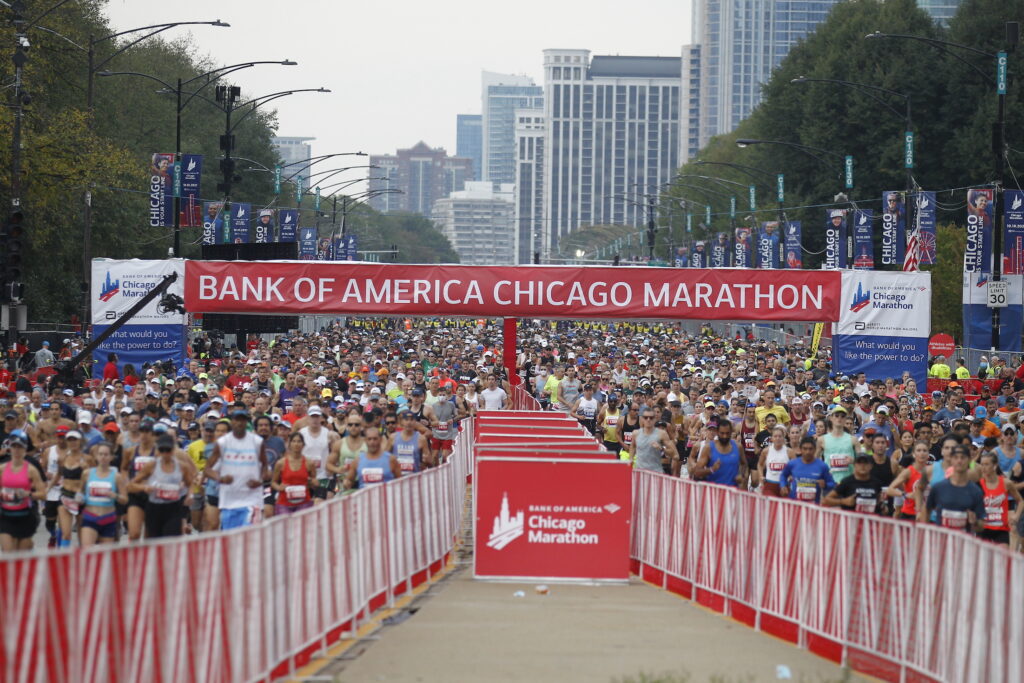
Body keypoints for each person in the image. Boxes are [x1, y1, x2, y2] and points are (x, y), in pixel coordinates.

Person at [204, 410, 269, 530]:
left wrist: (260, 481)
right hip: (229, 500)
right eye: (237, 420)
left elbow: (265, 466)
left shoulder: (257, 442)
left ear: (246, 422)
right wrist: (220, 478)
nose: (239, 423)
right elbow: (207, 469)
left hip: (251, 500)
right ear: (232, 422)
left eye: (242, 420)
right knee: (230, 541)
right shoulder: (223, 443)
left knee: (249, 537)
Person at [130, 435, 196, 539]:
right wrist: (144, 488)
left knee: (171, 540)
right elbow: (132, 484)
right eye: (162, 450)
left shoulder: (182, 467)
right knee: (154, 541)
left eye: (168, 450)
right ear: (158, 450)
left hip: (173, 507)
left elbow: (190, 483)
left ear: (173, 450)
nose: (165, 454)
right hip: (154, 507)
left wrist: (190, 495)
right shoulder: (151, 465)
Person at [921, 445, 986, 532]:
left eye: (963, 458)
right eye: (956, 458)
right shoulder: (938, 488)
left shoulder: (975, 491)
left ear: (969, 461)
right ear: (951, 460)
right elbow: (926, 510)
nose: (959, 461)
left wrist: (975, 522)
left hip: (963, 542)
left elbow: (981, 526)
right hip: (941, 540)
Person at [0, 433, 46, 552]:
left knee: (21, 556)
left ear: (25, 449)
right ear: (10, 448)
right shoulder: (2, 468)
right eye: (14, 447)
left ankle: (30, 549)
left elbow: (43, 493)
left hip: (25, 516)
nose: (16, 450)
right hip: (5, 516)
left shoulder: (31, 470)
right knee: (8, 552)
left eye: (19, 447)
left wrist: (28, 494)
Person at [79, 442, 128, 547]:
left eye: (106, 455)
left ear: (111, 457)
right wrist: (79, 498)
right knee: (87, 552)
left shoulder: (116, 476)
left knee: (105, 556)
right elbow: (80, 491)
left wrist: (115, 496)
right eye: (100, 454)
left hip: (108, 518)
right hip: (90, 516)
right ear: (96, 456)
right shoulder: (87, 473)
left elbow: (125, 499)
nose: (103, 457)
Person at [976, 452, 1022, 545]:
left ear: (995, 466)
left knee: (1002, 556)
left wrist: (1016, 515)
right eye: (982, 464)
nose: (983, 468)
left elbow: (1020, 501)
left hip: (1001, 529)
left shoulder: (1006, 483)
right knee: (984, 558)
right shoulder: (978, 484)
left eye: (987, 464)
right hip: (983, 528)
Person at [299, 406, 340, 502]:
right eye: (312, 416)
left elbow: (336, 454)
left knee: (319, 503)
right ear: (308, 417)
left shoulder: (329, 434)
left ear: (321, 418)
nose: (314, 419)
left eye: (317, 416)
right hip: (306, 476)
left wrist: (334, 470)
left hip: (323, 476)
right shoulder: (301, 434)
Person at [55, 430, 88, 548]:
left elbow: (95, 477)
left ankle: (83, 561)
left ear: (80, 441)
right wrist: (47, 488)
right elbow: (58, 475)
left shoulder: (87, 459)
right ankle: (63, 562)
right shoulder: (62, 458)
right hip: (65, 496)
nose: (73, 442)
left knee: (82, 534)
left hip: (81, 498)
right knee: (66, 533)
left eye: (75, 440)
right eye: (70, 440)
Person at [779, 436, 835, 503]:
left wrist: (825, 485)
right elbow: (783, 475)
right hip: (795, 504)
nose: (807, 452)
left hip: (813, 507)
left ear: (815, 449)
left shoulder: (822, 466)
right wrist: (783, 485)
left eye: (810, 449)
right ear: (800, 450)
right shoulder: (793, 464)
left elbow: (832, 484)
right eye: (805, 449)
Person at [271, 432, 316, 515]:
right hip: (284, 503)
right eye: (294, 441)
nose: (296, 444)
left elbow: (314, 482)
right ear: (289, 444)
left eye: (299, 441)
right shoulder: (281, 463)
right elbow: (273, 482)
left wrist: (313, 482)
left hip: (304, 502)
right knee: (285, 527)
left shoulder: (309, 463)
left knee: (302, 528)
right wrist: (279, 487)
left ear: (303, 445)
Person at [692, 419, 743, 487]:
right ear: (718, 432)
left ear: (731, 432)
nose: (725, 436)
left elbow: (744, 464)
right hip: (714, 491)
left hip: (732, 491)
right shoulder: (708, 448)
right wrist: (711, 469)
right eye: (722, 433)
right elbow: (697, 472)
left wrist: (741, 474)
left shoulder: (738, 447)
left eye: (727, 433)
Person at [630, 407, 678, 474]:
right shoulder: (636, 433)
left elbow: (676, 455)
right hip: (641, 473)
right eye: (646, 417)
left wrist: (662, 449)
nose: (648, 420)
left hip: (656, 473)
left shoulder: (662, 434)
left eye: (651, 418)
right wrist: (631, 459)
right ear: (642, 419)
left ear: (654, 419)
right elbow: (632, 446)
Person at [817, 411, 859, 484]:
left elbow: (863, 462)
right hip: (829, 482)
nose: (839, 418)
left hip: (848, 482)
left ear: (845, 419)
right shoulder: (821, 440)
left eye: (842, 416)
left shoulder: (854, 440)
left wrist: (854, 461)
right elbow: (814, 461)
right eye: (836, 415)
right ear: (831, 418)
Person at [391, 409, 430, 475]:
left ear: (414, 421)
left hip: (414, 476)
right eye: (406, 419)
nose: (409, 422)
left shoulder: (420, 438)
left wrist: (418, 440)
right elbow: (385, 455)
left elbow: (428, 460)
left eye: (411, 419)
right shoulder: (393, 436)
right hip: (398, 479)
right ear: (401, 420)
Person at [758, 425, 793, 497]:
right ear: (771, 439)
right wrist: (761, 477)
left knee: (784, 507)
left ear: (783, 438)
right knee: (771, 507)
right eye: (775, 436)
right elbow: (760, 464)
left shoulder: (789, 452)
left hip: (784, 485)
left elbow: (795, 467)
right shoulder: (766, 451)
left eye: (780, 436)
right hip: (769, 485)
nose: (778, 438)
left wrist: (791, 477)